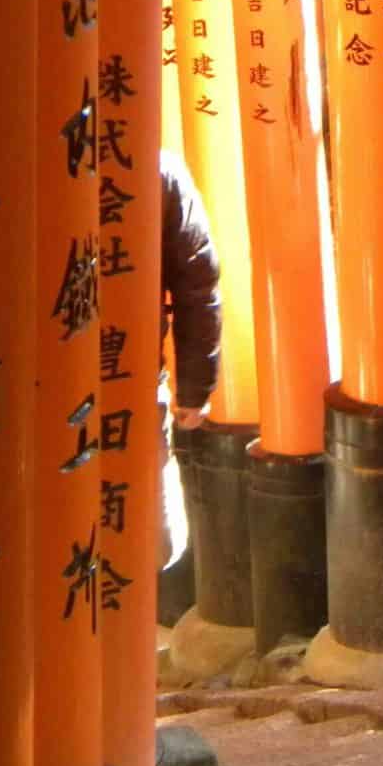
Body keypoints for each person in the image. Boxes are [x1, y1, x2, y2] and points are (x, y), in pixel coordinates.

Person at [158, 149, 220, 577]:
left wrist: (195, 386)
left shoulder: (158, 172)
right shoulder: (157, 167)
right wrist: (195, 390)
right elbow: (198, 287)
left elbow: (197, 286)